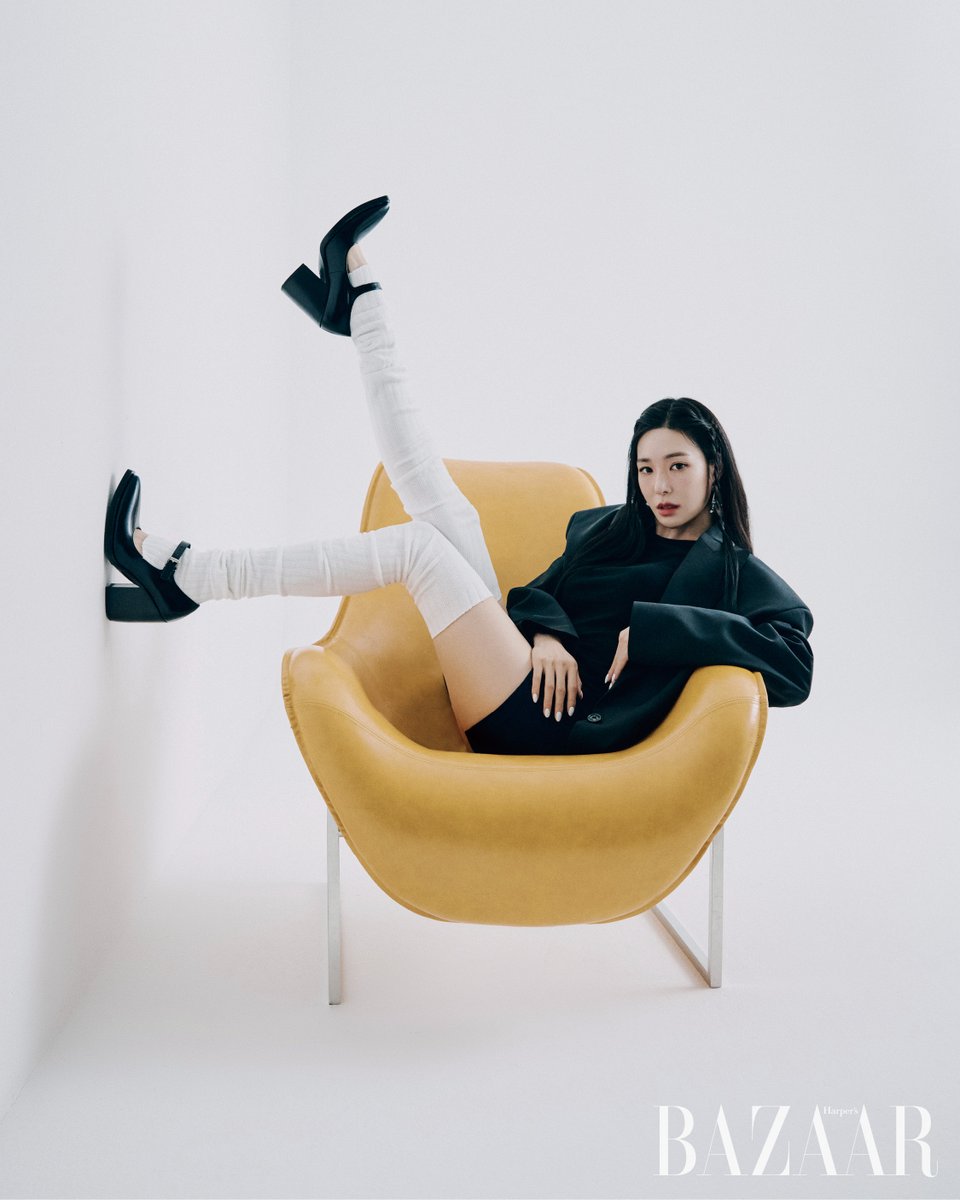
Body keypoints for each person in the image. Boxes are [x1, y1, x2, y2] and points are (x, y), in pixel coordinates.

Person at [104, 196, 813, 757]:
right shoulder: (613, 530)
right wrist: (547, 635)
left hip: (545, 723)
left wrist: (661, 630)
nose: (659, 486)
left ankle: (190, 576)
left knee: (419, 548)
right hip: (513, 667)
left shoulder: (729, 568)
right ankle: (362, 304)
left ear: (713, 470)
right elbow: (538, 592)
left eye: (678, 467)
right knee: (438, 501)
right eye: (647, 468)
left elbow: (795, 667)